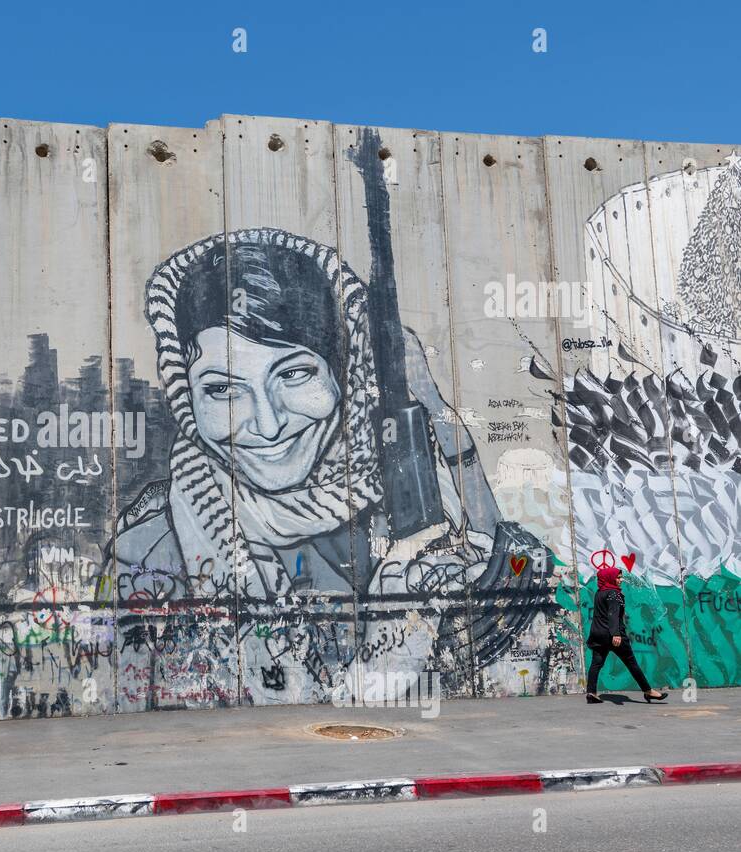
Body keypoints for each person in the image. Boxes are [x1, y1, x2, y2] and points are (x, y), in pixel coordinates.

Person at [110, 228, 557, 700]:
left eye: (294, 373)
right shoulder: (149, 549)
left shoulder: (407, 506)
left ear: (345, 374)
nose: (266, 424)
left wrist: (437, 415)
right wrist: (397, 638)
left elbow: (515, 619)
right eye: (222, 389)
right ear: (187, 394)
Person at [586, 566, 668, 703]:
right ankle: (648, 691)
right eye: (618, 577)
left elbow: (603, 615)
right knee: (631, 663)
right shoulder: (613, 593)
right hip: (612, 634)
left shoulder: (599, 593)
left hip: (597, 633)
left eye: (620, 577)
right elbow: (613, 614)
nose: (620, 580)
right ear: (610, 578)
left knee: (596, 663)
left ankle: (591, 693)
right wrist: (616, 634)